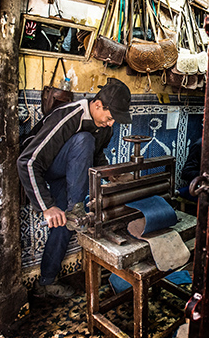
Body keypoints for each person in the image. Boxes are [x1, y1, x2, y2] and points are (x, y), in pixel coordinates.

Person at [17, 77, 132, 298]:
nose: (110, 124)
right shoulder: (70, 115)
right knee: (85, 140)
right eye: (109, 117)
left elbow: (97, 156)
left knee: (64, 223)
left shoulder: (105, 126)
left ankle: (45, 283)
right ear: (97, 105)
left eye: (114, 120)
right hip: (46, 165)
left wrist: (112, 177)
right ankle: (75, 207)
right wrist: (46, 206)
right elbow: (28, 161)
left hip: (69, 172)